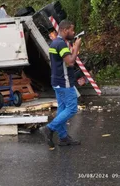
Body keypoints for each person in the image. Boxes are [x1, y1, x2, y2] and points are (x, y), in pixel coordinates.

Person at [40, 20, 82, 149]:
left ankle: (63, 138)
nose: (73, 33)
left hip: (56, 81)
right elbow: (70, 62)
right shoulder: (61, 45)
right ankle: (49, 128)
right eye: (72, 30)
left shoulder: (55, 43)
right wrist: (76, 48)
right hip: (64, 82)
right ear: (65, 30)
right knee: (72, 108)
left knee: (62, 109)